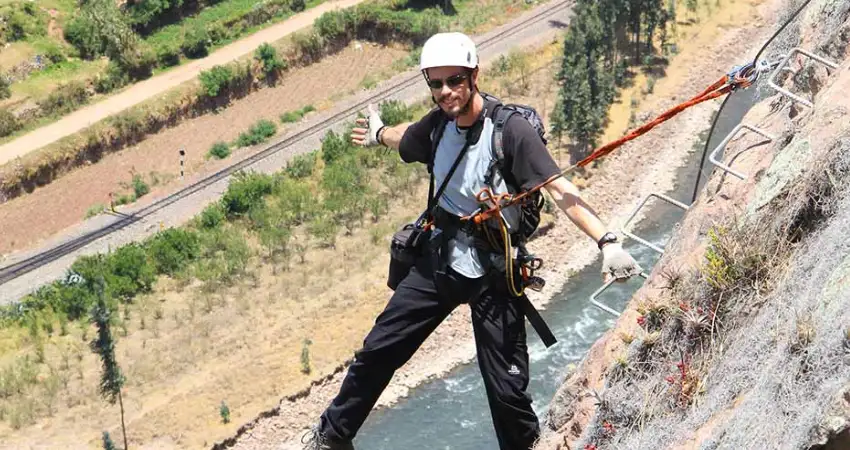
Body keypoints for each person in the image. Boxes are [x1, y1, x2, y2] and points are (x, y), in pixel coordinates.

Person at [301, 32, 642, 450]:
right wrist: (378, 133)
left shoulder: (510, 131)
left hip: (495, 272)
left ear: (474, 74)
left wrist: (606, 241)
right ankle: (330, 438)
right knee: (378, 350)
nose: (445, 92)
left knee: (507, 394)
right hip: (440, 259)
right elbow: (405, 139)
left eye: (455, 80)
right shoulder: (438, 125)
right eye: (436, 83)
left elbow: (559, 188)